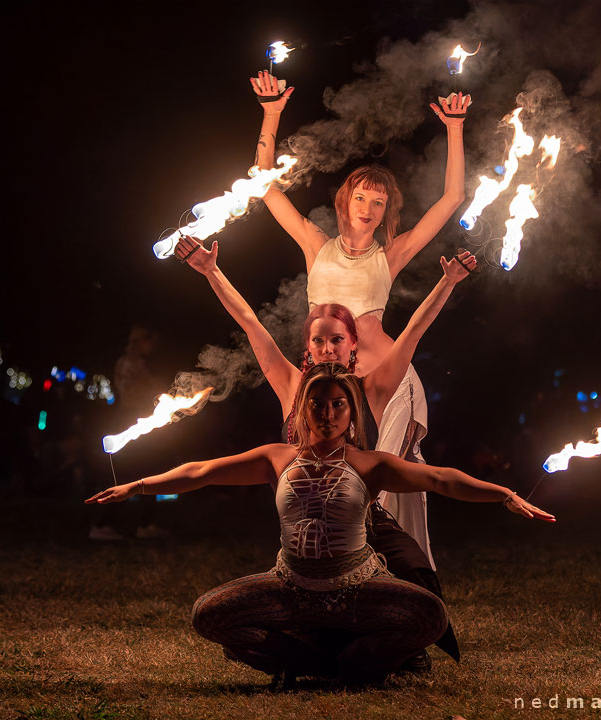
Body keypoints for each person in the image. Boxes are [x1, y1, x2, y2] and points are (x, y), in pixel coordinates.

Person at [86, 362, 555, 685]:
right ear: (302, 411)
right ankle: (321, 666)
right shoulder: (277, 459)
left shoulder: (370, 464)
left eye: (337, 405)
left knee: (431, 615)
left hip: (357, 587)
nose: (327, 414)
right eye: (317, 405)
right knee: (209, 615)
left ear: (350, 413)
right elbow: (203, 471)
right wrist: (138, 486)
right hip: (289, 587)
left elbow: (440, 479)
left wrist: (505, 495)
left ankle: (345, 665)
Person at [176, 236, 475, 664]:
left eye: (337, 340)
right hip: (306, 534)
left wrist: (448, 282)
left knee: (417, 578)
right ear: (308, 348)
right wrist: (210, 271)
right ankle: (314, 653)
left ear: (353, 345)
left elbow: (413, 333)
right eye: (319, 342)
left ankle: (395, 648)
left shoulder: (370, 389)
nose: (328, 349)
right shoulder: (291, 387)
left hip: (364, 523)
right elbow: (249, 323)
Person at [250, 70, 471, 566]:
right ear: (344, 201)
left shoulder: (389, 255)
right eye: (361, 196)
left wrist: (454, 129)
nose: (369, 206)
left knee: (380, 483)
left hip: (388, 387)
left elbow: (451, 200)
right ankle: (333, 579)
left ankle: (398, 584)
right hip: (330, 386)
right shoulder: (315, 245)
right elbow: (264, 188)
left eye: (379, 200)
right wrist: (271, 112)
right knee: (326, 482)